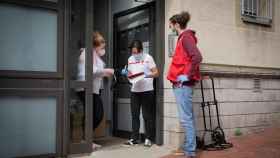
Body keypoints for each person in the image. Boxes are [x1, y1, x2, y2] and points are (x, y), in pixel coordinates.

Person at [167, 11, 202, 158]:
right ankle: (189, 149)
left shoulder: (186, 37)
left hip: (183, 85)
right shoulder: (184, 38)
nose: (171, 28)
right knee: (188, 117)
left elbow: (197, 57)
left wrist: (185, 75)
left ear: (176, 24)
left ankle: (190, 152)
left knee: (186, 118)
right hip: (182, 84)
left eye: (171, 25)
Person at [77, 31, 114, 149]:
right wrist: (107, 71)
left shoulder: (94, 54)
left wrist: (104, 73)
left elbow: (96, 71)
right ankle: (85, 140)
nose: (104, 44)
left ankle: (87, 140)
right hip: (86, 88)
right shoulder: (87, 53)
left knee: (93, 114)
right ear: (95, 42)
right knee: (97, 114)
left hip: (94, 89)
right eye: (102, 41)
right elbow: (91, 70)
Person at [121, 40, 159, 147]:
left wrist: (147, 75)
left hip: (147, 90)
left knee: (147, 115)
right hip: (135, 90)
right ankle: (134, 138)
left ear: (141, 51)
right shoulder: (130, 59)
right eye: (133, 52)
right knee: (134, 115)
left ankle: (148, 138)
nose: (134, 55)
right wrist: (126, 73)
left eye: (136, 52)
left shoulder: (148, 58)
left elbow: (156, 73)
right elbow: (130, 73)